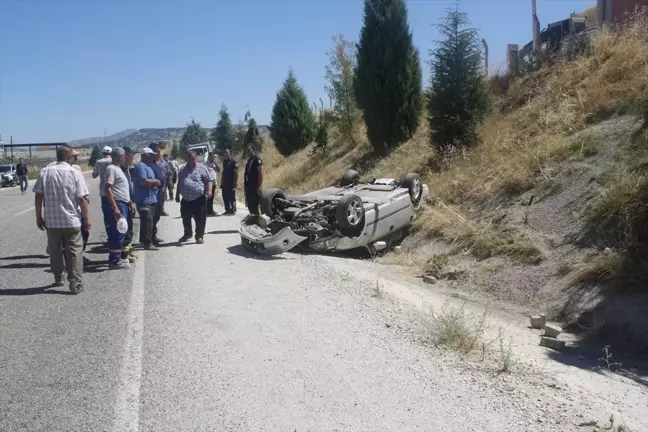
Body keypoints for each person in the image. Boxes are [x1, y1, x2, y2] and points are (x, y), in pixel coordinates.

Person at [33, 145, 91, 294]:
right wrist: (86, 219)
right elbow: (82, 199)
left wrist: (39, 216)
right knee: (74, 252)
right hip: (71, 221)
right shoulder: (74, 172)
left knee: (55, 250)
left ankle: (58, 277)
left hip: (52, 222)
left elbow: (38, 196)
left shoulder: (45, 172)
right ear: (69, 157)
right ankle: (75, 283)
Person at [104, 148, 133, 270]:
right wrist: (115, 208)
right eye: (123, 156)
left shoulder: (118, 169)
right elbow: (108, 188)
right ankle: (115, 261)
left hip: (124, 203)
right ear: (118, 157)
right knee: (118, 232)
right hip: (118, 204)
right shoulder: (111, 169)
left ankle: (117, 257)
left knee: (121, 231)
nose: (125, 158)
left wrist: (130, 202)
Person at [175, 149, 212, 244]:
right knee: (185, 217)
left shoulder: (202, 168)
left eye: (194, 158)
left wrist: (209, 190)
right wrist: (177, 195)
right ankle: (187, 234)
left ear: (196, 158)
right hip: (186, 199)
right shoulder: (182, 169)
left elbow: (209, 180)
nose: (193, 160)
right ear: (187, 159)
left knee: (200, 219)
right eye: (191, 159)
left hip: (199, 198)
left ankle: (199, 236)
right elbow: (180, 182)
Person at [132, 148, 161, 250]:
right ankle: (147, 243)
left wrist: (153, 185)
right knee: (148, 221)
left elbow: (148, 182)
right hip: (144, 200)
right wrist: (156, 182)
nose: (153, 156)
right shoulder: (141, 166)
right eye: (151, 155)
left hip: (151, 198)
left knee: (147, 221)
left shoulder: (147, 166)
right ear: (145, 155)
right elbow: (142, 181)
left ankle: (144, 240)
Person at [120, 146, 138, 262]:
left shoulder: (127, 169)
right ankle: (124, 254)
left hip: (129, 202)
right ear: (126, 157)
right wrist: (130, 202)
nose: (133, 159)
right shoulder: (120, 169)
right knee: (125, 229)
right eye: (132, 157)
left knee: (130, 228)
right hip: (124, 203)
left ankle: (128, 251)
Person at [92, 146, 113, 239]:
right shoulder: (113, 161)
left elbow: (94, 175)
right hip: (114, 190)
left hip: (103, 191)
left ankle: (109, 234)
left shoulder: (99, 162)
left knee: (107, 215)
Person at [243, 143, 264, 216]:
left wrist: (259, 186)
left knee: (256, 204)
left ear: (253, 150)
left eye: (249, 150)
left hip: (255, 186)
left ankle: (259, 219)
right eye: (247, 150)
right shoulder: (249, 161)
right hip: (249, 186)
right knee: (250, 203)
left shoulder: (257, 160)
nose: (248, 152)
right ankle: (253, 218)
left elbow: (261, 173)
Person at [220, 149, 238, 215]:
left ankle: (233, 210)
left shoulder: (233, 161)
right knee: (224, 196)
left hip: (231, 182)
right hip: (225, 182)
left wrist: (235, 182)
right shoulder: (224, 161)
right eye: (224, 153)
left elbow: (236, 173)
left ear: (229, 153)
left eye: (226, 153)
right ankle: (227, 210)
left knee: (232, 196)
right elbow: (223, 171)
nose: (225, 154)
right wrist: (222, 180)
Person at [204, 152, 219, 216]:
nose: (212, 158)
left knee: (212, 197)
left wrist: (215, 164)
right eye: (211, 157)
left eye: (213, 157)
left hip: (214, 182)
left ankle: (210, 210)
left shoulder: (214, 164)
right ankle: (207, 210)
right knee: (208, 197)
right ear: (209, 157)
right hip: (209, 183)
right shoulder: (206, 164)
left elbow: (218, 170)